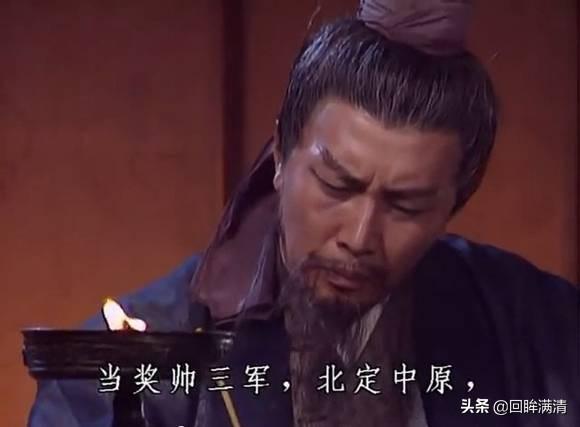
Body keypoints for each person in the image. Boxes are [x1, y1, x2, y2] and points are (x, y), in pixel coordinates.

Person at [28, 1, 579, 426]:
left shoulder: (539, 331)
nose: (360, 236)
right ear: (280, 157)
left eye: (406, 205)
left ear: (454, 202)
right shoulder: (120, 372)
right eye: (336, 185)